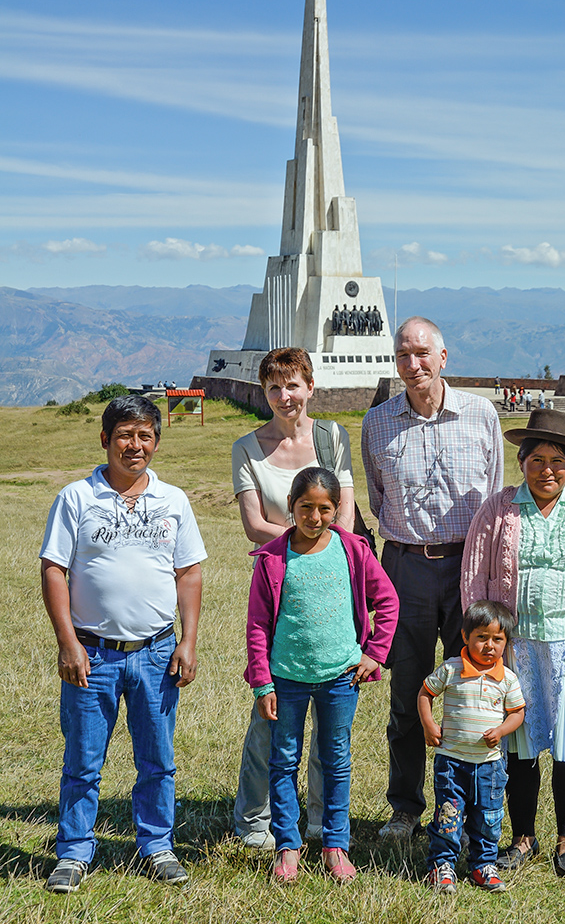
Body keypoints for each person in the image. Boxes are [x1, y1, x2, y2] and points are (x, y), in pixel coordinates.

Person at [40, 395, 206, 894]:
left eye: (145, 436)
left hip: (156, 652)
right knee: (83, 760)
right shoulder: (76, 498)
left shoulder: (173, 500)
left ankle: (157, 845)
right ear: (106, 439)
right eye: (125, 435)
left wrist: (188, 641)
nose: (135, 446)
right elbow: (54, 569)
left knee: (158, 759)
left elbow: (189, 572)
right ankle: (72, 851)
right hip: (92, 654)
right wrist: (68, 643)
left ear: (156, 441)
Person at [461, 409, 565, 878]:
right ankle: (522, 837)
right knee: (520, 744)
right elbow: (475, 580)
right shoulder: (497, 510)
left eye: (558, 460)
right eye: (537, 459)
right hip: (517, 651)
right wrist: (482, 647)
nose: (547, 470)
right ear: (521, 462)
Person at [361, 316, 503, 841]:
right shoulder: (377, 423)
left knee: (473, 691)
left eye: (422, 353)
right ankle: (405, 808)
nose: (413, 364)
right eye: (403, 355)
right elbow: (379, 500)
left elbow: (492, 497)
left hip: (468, 564)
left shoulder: (481, 415)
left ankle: (467, 811)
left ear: (444, 357)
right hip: (404, 569)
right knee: (408, 694)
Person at [245, 467, 399, 883]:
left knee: (335, 761)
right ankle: (287, 846)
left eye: (324, 509)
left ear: (337, 509)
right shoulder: (273, 558)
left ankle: (336, 844)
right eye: (305, 508)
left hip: (340, 678)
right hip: (287, 680)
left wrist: (375, 655)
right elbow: (257, 624)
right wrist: (262, 681)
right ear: (291, 507)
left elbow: (386, 600)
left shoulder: (352, 550)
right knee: (283, 761)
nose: (314, 517)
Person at [232, 347, 354, 849]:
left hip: (331, 581)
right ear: (265, 393)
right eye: (275, 388)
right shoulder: (247, 447)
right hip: (279, 582)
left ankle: (322, 825)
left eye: (294, 385)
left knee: (330, 720)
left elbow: (344, 513)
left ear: (310, 387)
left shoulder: (332, 437)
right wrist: (300, 542)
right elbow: (253, 523)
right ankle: (253, 819)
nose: (286, 397)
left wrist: (321, 548)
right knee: (272, 711)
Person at [417, 601, 525, 894]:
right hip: (451, 762)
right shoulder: (451, 669)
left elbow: (517, 712)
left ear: (506, 643)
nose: (489, 645)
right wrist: (428, 724)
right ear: (465, 636)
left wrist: (502, 730)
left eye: (497, 639)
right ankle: (442, 866)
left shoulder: (508, 679)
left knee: (489, 819)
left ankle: (482, 865)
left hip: (490, 765)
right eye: (482, 637)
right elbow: (425, 693)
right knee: (448, 817)